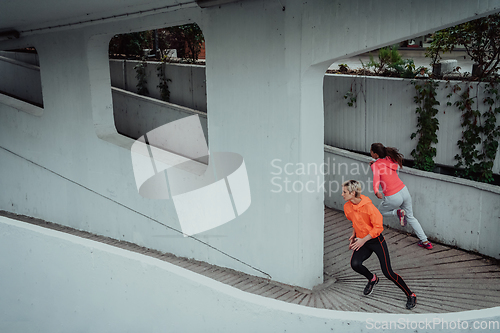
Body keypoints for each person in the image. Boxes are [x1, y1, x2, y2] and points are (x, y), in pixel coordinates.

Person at [342, 180, 417, 310]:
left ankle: (410, 294)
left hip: (376, 241)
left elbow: (378, 228)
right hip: (362, 240)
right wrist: (354, 236)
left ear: (353, 193)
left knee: (388, 272)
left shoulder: (370, 208)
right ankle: (372, 279)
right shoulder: (347, 207)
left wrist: (362, 240)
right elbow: (355, 221)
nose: (342, 194)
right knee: (355, 264)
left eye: (344, 192)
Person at [369, 142, 433, 250]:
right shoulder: (390, 159)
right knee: (411, 217)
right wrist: (375, 163)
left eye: (371, 151)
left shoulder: (376, 165)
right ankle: (425, 241)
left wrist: (376, 191)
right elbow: (385, 165)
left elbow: (376, 178)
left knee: (378, 212)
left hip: (393, 195)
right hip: (404, 191)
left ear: (375, 154)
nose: (370, 152)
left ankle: (397, 212)